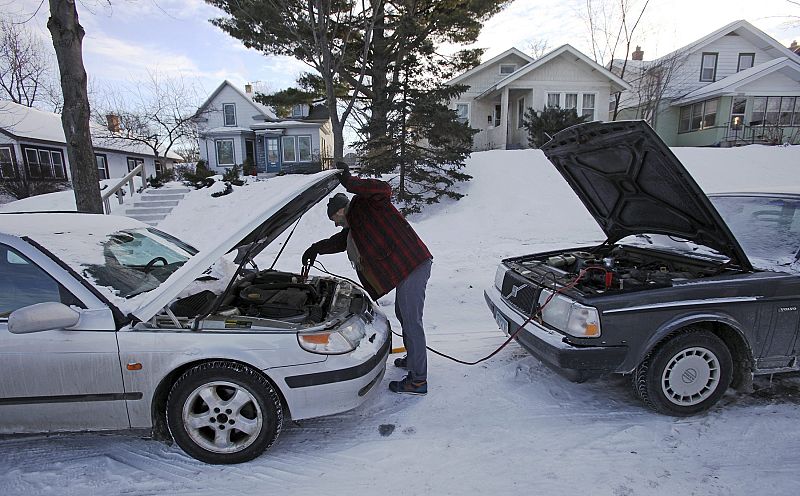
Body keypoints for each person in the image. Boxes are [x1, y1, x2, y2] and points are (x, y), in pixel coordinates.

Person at [302, 163, 433, 395]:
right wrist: (315, 249)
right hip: (406, 268)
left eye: (334, 218)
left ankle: (418, 380)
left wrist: (349, 182)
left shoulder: (367, 204)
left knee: (412, 321)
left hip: (413, 264)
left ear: (341, 210)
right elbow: (340, 241)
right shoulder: (356, 226)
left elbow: (382, 189)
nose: (335, 223)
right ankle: (413, 360)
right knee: (405, 315)